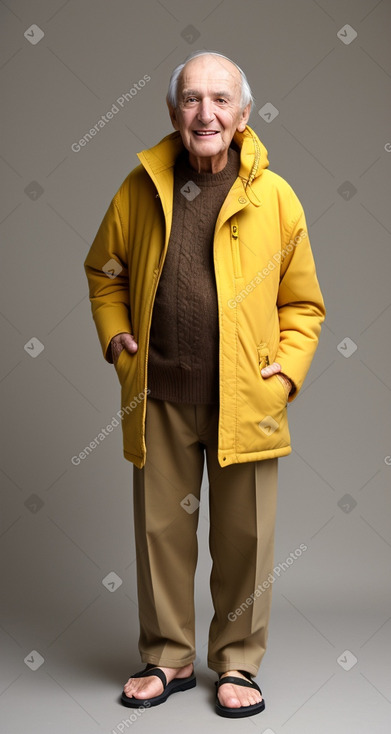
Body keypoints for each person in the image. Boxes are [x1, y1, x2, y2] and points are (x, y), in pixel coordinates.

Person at [84, 50, 325, 718]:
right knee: (161, 534)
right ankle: (167, 657)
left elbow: (302, 305)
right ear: (172, 112)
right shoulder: (141, 188)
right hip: (158, 394)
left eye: (221, 100)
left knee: (244, 540)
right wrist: (115, 337)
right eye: (191, 99)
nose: (205, 113)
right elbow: (104, 270)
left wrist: (288, 372)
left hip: (244, 398)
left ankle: (238, 665)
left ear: (244, 115)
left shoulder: (274, 198)